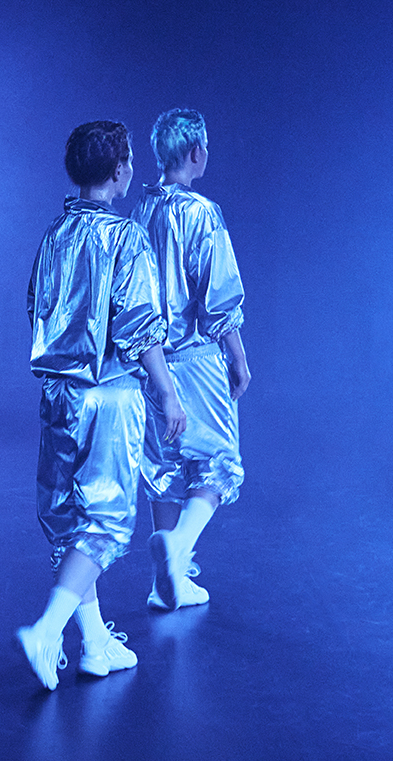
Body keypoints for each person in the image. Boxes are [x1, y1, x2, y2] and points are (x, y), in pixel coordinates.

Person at [17, 120, 185, 690]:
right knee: (106, 522)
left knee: (70, 519)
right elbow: (140, 326)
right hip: (109, 396)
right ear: (119, 170)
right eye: (129, 160)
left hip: (59, 394)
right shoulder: (125, 237)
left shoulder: (54, 234)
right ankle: (48, 630)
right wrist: (167, 392)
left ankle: (93, 642)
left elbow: (36, 307)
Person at [131, 108, 250, 611]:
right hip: (196, 356)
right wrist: (238, 356)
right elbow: (217, 293)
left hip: (151, 359)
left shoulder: (139, 213)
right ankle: (179, 549)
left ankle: (168, 583)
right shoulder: (201, 212)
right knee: (218, 462)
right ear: (197, 152)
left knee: (162, 466)